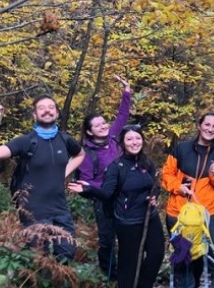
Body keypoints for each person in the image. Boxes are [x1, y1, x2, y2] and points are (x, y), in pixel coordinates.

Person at [0, 95, 84, 262]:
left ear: (57, 113)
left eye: (51, 107)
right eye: (42, 108)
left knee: (66, 254)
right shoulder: (26, 141)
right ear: (34, 115)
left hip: (60, 208)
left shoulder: (65, 140)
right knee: (38, 258)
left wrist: (64, 173)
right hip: (32, 211)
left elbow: (80, 154)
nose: (47, 110)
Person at [68, 125, 165, 288]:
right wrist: (88, 189)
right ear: (123, 143)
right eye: (129, 139)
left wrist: (154, 196)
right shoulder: (116, 167)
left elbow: (155, 185)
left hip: (150, 217)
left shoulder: (146, 162)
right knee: (130, 264)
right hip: (128, 222)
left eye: (138, 138)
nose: (134, 142)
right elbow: (107, 194)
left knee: (156, 254)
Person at [162, 113, 214, 288]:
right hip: (179, 213)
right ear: (199, 125)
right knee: (183, 258)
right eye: (207, 124)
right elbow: (166, 175)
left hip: (208, 214)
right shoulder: (181, 149)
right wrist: (179, 187)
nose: (210, 129)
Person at [77, 75, 132, 279]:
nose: (103, 126)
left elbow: (122, 116)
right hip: (104, 201)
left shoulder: (113, 138)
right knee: (107, 240)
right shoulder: (87, 154)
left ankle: (127, 273)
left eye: (104, 122)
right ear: (90, 133)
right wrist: (106, 189)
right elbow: (86, 180)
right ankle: (109, 275)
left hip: (125, 197)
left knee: (126, 236)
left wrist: (126, 91)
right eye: (98, 125)